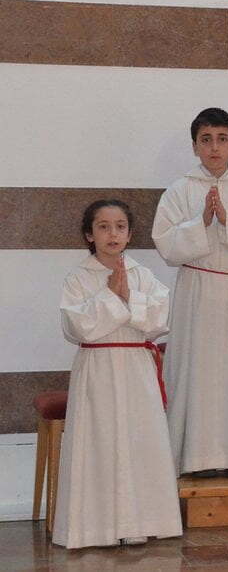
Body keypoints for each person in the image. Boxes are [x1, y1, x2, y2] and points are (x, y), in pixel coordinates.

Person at [153, 108, 228, 479]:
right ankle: (196, 456)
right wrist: (202, 223)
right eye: (206, 140)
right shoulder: (179, 190)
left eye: (222, 139)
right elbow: (167, 246)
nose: (214, 148)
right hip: (198, 293)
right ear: (194, 146)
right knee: (199, 373)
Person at [54, 200, 182, 548]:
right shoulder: (78, 277)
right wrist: (113, 297)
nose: (113, 233)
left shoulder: (142, 274)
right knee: (100, 441)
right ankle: (94, 528)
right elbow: (77, 326)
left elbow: (160, 319)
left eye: (120, 226)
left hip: (136, 368)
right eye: (104, 226)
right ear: (89, 234)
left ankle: (142, 521)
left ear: (129, 233)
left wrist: (131, 298)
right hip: (98, 370)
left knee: (139, 439)